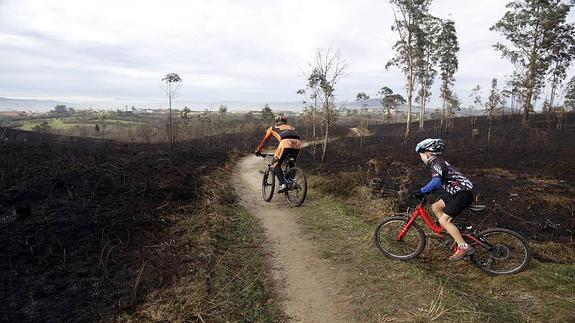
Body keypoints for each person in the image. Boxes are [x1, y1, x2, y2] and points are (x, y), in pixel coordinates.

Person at [412, 138, 475, 261]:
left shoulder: (437, 163)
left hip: (462, 194)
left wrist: (421, 191)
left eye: (421, 154)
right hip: (457, 193)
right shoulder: (439, 162)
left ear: (427, 153)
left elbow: (436, 182)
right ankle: (447, 233)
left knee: (444, 221)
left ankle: (463, 246)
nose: (421, 157)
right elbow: (441, 181)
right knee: (435, 207)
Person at [254, 113, 302, 193]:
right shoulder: (291, 128)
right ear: (285, 121)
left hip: (285, 143)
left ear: (276, 121)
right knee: (291, 163)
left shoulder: (272, 128)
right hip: (298, 143)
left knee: (276, 164)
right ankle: (292, 182)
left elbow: (264, 140)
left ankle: (282, 185)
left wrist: (258, 150)